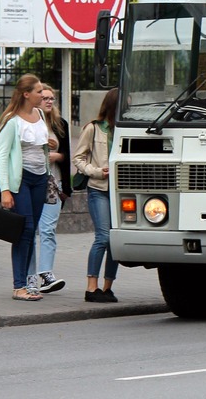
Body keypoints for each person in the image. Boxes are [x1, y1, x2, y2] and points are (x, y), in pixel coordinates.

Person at [0, 73, 50, 301]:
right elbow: (1, 157)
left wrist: (50, 145)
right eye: (38, 91)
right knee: (24, 231)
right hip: (22, 180)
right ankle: (19, 286)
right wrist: (5, 189)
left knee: (32, 229)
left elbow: (41, 145)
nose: (42, 95)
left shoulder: (40, 115)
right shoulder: (12, 121)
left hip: (40, 178)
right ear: (26, 94)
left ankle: (27, 283)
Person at [73, 87, 119, 304]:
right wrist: (96, 171)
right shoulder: (94, 128)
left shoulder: (125, 129)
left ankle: (107, 287)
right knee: (103, 237)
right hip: (99, 189)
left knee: (116, 241)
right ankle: (91, 287)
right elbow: (78, 158)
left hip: (120, 193)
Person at [26, 83, 70, 295]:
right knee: (29, 230)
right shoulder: (24, 123)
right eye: (45, 98)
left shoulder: (61, 125)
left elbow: (68, 156)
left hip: (54, 185)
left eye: (52, 98)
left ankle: (46, 273)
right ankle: (29, 275)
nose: (49, 101)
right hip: (30, 183)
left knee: (48, 229)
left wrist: (58, 156)